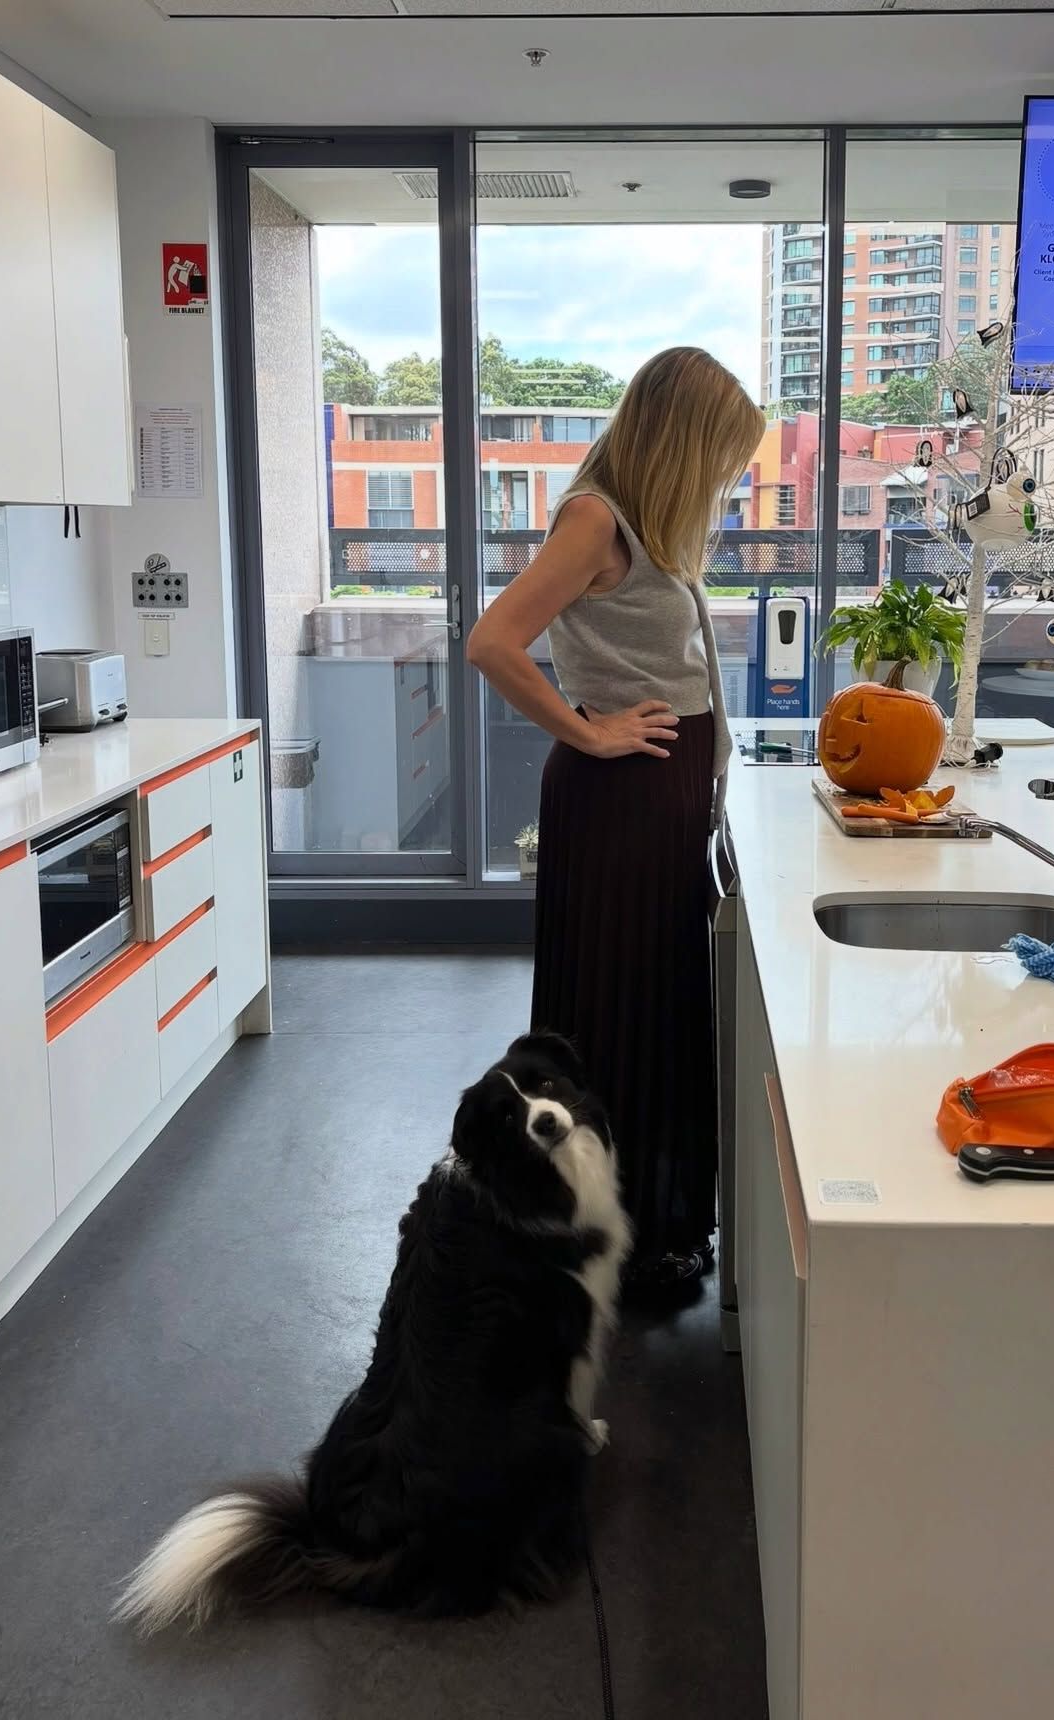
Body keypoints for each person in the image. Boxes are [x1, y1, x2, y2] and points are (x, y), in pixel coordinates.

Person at [468, 347, 766, 1295]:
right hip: (621, 799)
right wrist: (589, 732)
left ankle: (634, 1226)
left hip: (654, 799)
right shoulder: (595, 517)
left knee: (650, 1009)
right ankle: (607, 1238)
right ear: (680, 440)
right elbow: (492, 641)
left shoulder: (642, 522)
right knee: (619, 1014)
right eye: (718, 456)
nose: (722, 478)